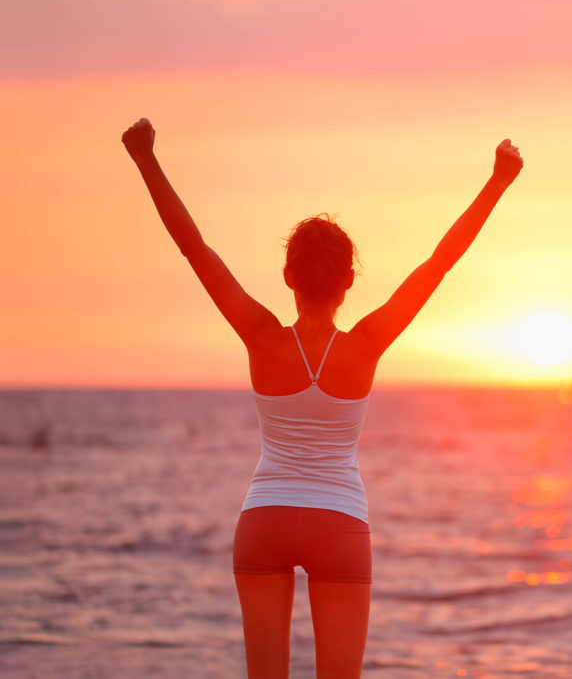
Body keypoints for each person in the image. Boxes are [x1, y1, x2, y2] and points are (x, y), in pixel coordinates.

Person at [121, 117, 523, 678]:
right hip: (339, 524)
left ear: (288, 276)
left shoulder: (259, 335)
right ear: (349, 283)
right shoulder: (365, 346)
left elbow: (195, 248)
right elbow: (439, 263)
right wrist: (498, 182)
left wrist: (145, 158)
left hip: (265, 518)